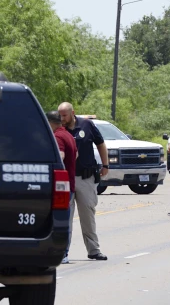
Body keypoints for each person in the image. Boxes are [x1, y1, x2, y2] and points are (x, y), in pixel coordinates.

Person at [58, 102, 109, 260]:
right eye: (60, 115)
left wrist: (105, 164)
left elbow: (100, 144)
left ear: (73, 113)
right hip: (66, 179)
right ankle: (63, 253)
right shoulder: (59, 130)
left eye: (65, 115)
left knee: (88, 216)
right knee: (66, 216)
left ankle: (93, 250)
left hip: (85, 178)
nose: (62, 118)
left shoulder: (86, 125)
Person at [46, 111, 78, 264]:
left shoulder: (58, 137)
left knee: (59, 221)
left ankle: (63, 253)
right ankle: (64, 252)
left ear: (50, 122)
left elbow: (60, 157)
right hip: (70, 184)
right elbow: (76, 155)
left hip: (62, 186)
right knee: (65, 220)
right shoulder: (68, 135)